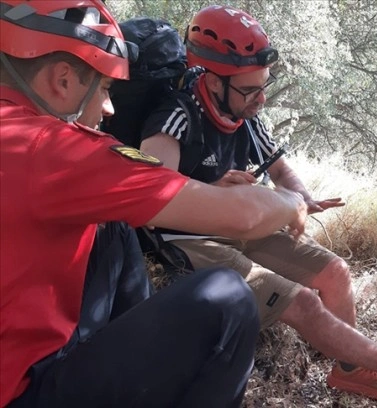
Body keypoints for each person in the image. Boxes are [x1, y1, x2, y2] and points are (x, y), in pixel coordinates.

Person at [0, 0, 313, 406]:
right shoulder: (52, 148)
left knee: (112, 225)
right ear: (62, 79)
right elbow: (245, 216)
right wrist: (292, 202)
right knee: (228, 297)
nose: (110, 109)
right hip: (23, 390)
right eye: (107, 89)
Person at [136, 5, 377, 400]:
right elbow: (152, 196)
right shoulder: (176, 116)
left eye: (264, 85)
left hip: (243, 226)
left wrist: (300, 196)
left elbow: (282, 169)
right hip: (189, 239)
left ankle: (351, 369)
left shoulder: (246, 116)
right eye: (249, 90)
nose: (261, 99)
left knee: (336, 271)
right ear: (213, 82)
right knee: (303, 305)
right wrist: (211, 188)